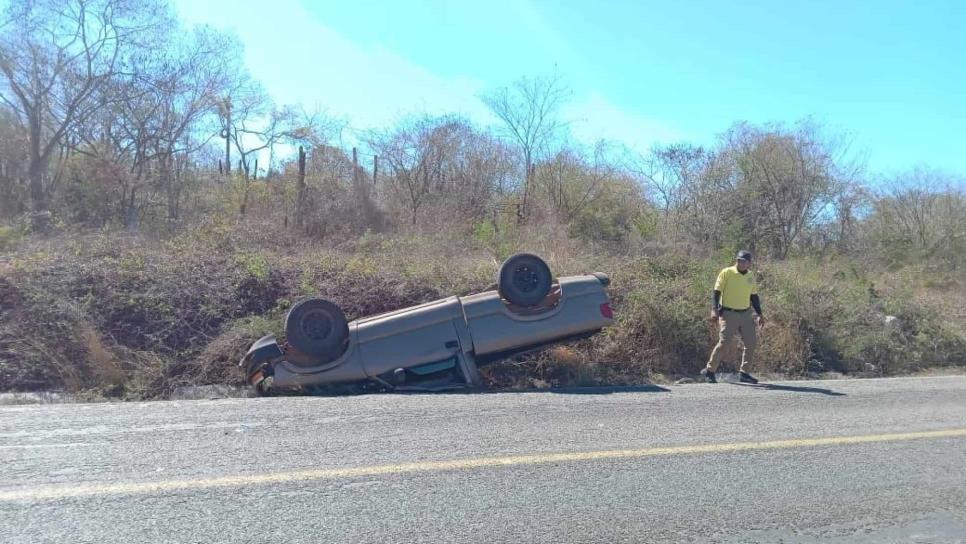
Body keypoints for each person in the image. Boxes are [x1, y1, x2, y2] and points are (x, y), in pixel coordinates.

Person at [700, 250, 765, 384]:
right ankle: (709, 371)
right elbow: (717, 292)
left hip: (746, 314)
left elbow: (754, 296)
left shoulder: (750, 276)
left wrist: (760, 314)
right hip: (729, 313)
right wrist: (714, 309)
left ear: (749, 263)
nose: (740, 263)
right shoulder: (727, 272)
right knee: (724, 343)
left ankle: (744, 373)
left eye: (743, 261)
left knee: (751, 343)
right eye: (739, 260)